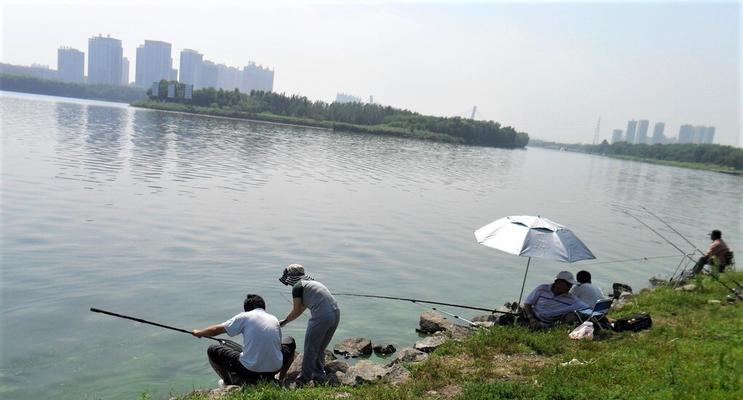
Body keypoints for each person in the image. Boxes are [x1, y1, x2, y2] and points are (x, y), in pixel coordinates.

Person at [192, 294, 296, 386]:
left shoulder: (245, 316)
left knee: (213, 350)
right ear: (264, 307)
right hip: (275, 368)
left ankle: (227, 383)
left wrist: (199, 332)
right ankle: (280, 379)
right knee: (290, 340)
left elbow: (215, 331)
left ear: (246, 309)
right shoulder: (273, 318)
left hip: (249, 370)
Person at [279, 264, 340, 384]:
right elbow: (301, 309)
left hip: (322, 316)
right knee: (320, 348)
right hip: (336, 313)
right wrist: (285, 320)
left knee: (310, 348)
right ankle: (319, 374)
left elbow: (296, 311)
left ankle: (303, 378)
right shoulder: (312, 284)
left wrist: (284, 322)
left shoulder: (297, 287)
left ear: (290, 277)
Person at [521, 271, 588, 329]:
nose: (570, 287)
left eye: (571, 285)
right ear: (558, 282)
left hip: (551, 324)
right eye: (568, 284)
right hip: (533, 318)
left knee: (572, 317)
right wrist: (532, 319)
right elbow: (527, 304)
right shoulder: (542, 289)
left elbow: (587, 308)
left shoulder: (571, 299)